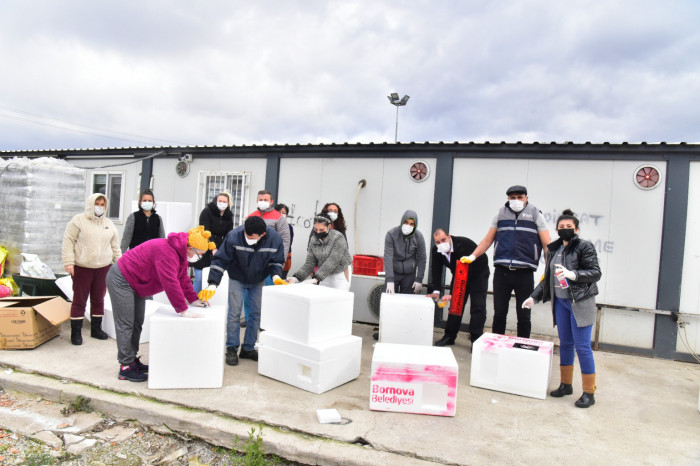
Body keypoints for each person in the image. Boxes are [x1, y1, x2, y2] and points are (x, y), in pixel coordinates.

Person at [106, 226, 214, 382]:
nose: (199, 258)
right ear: (190, 248)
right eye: (199, 254)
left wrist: (193, 299)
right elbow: (170, 282)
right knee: (126, 323)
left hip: (137, 283)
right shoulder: (166, 252)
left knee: (137, 323)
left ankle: (131, 359)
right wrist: (182, 310)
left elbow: (182, 277)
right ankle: (125, 367)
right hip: (121, 280)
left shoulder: (181, 254)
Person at [523, 209, 602, 408]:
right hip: (561, 303)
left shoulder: (584, 246)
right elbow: (546, 279)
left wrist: (573, 274)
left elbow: (595, 272)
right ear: (557, 228)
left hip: (580, 303)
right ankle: (566, 385)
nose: (565, 229)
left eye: (569, 227)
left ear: (576, 229)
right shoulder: (554, 250)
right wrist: (534, 297)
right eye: (562, 227)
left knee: (583, 347)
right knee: (565, 344)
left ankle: (588, 393)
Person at [463, 185, 550, 338]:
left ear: (526, 198)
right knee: (499, 313)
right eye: (512, 198)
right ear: (508, 199)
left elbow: (546, 244)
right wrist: (472, 256)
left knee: (524, 315)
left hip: (525, 272)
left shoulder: (536, 214)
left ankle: (522, 347)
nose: (516, 200)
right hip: (502, 272)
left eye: (520, 197)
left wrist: (549, 269)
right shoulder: (500, 214)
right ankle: (497, 345)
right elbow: (487, 240)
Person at [198, 216, 285, 367]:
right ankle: (231, 348)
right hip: (237, 278)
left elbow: (276, 260)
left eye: (251, 238)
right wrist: (213, 283)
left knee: (256, 314)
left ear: (263, 234)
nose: (247, 239)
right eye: (246, 235)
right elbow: (220, 260)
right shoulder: (234, 236)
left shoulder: (274, 239)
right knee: (234, 313)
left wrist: (276, 275)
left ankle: (248, 348)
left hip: (258, 280)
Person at [62, 193, 121, 346]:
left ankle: (96, 329)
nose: (100, 207)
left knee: (98, 298)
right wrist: (69, 262)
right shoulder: (78, 220)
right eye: (97, 204)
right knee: (79, 299)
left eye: (102, 204)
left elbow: (115, 245)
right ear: (90, 204)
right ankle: (76, 332)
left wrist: (120, 263)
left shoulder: (109, 224)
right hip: (83, 267)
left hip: (103, 268)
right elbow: (68, 241)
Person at [427, 229, 490, 346]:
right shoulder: (436, 251)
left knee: (478, 306)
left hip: (478, 272)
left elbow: (464, 272)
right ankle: (449, 337)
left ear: (449, 236)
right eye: (438, 242)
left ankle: (476, 340)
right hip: (459, 273)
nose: (441, 244)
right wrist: (436, 290)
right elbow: (436, 270)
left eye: (443, 240)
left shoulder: (462, 245)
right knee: (456, 305)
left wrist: (452, 293)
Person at [289, 214, 352, 290]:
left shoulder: (338, 237)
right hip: (324, 273)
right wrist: (296, 277)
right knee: (323, 297)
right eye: (315, 229)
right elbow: (309, 263)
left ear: (329, 227)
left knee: (339, 297)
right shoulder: (313, 240)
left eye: (321, 230)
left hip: (340, 273)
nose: (318, 232)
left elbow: (333, 260)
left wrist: (316, 278)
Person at [191, 192, 235, 294]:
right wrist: (213, 248)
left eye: (224, 202)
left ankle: (206, 298)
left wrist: (223, 249)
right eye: (220, 201)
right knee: (199, 277)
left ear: (228, 203)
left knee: (213, 276)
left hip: (219, 247)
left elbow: (229, 234)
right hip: (202, 245)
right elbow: (206, 230)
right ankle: (194, 298)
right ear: (216, 201)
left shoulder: (229, 216)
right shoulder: (207, 212)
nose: (222, 203)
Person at [383, 210, 427, 295]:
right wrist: (389, 279)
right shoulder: (391, 234)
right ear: (402, 221)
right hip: (394, 272)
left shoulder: (419, 237)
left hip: (409, 275)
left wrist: (419, 279)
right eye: (406, 222)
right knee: (389, 301)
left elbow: (422, 258)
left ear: (415, 226)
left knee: (407, 302)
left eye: (411, 224)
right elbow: (388, 256)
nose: (408, 226)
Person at [275, 203, 294, 279]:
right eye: (279, 212)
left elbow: (288, 243)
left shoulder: (289, 228)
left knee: (281, 278)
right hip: (271, 256)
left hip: (284, 256)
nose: (281, 214)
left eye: (284, 213)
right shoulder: (272, 225)